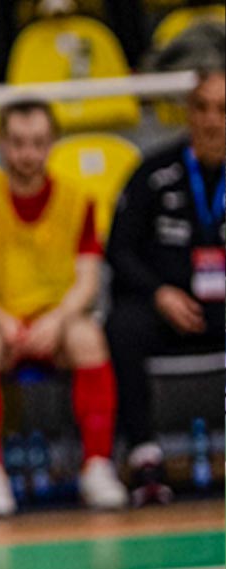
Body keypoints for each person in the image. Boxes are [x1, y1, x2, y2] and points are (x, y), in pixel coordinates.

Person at [0, 100, 126, 516]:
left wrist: (56, 320)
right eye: (16, 143)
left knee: (89, 338)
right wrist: (2, 320)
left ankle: (97, 467)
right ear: (0, 142)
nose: (26, 153)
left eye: (37, 143)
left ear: (52, 144)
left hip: (57, 318)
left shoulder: (77, 200)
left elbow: (87, 278)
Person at [105, 67, 225, 504]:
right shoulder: (154, 173)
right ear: (188, 114)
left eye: (223, 110)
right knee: (121, 327)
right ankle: (144, 456)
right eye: (202, 108)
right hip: (165, 305)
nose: (212, 120)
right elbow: (118, 249)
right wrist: (159, 293)